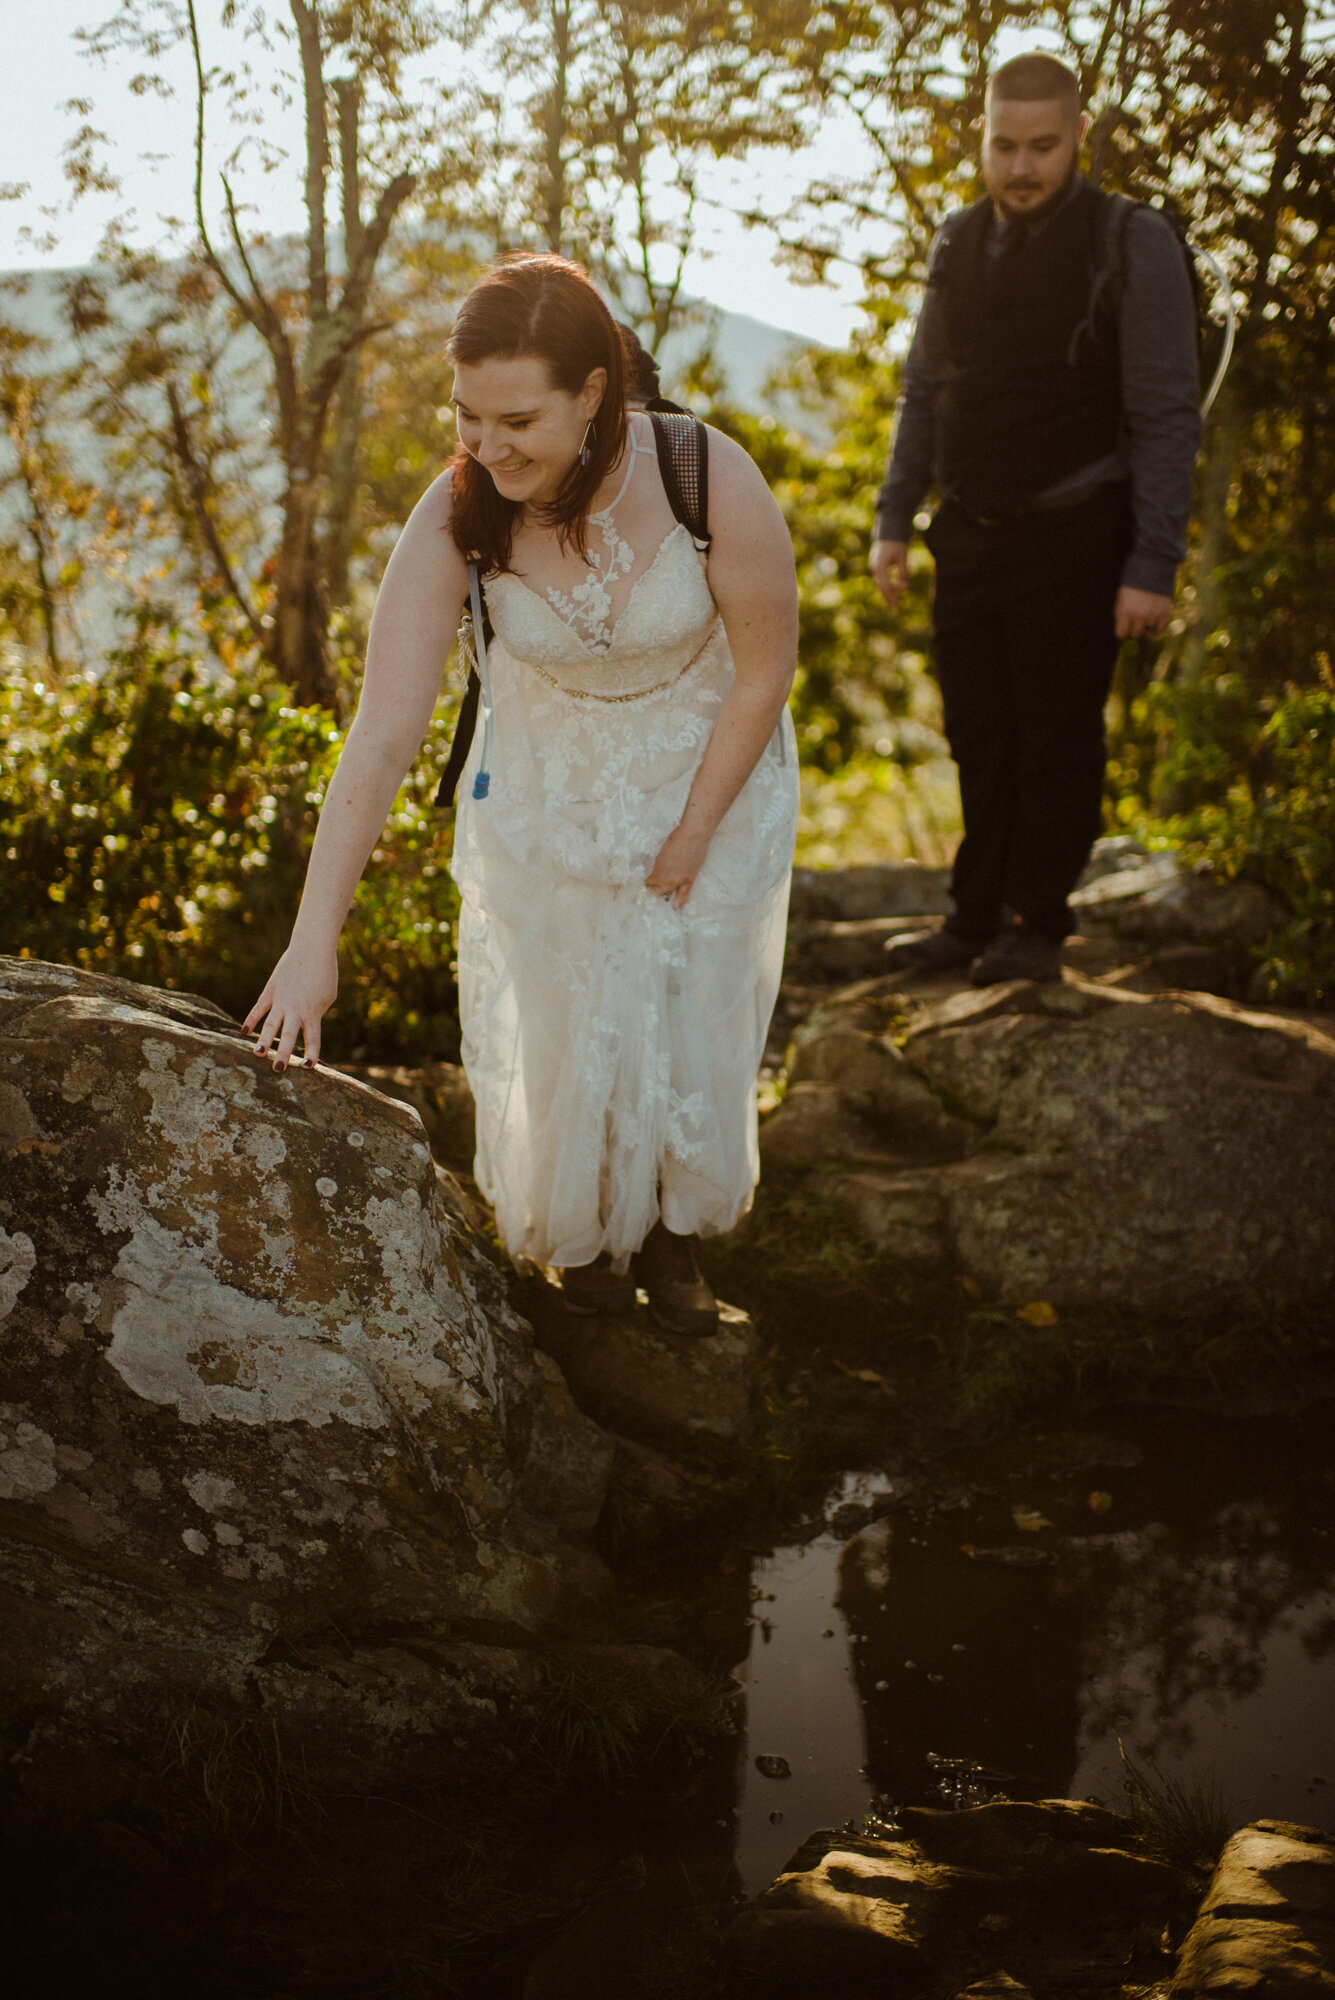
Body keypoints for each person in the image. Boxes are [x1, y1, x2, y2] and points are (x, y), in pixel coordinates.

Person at [245, 255, 799, 1336]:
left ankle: (675, 1239)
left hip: (708, 764)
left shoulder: (703, 472)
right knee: (567, 1011)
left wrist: (692, 831)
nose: (487, 446)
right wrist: (316, 939)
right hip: (548, 784)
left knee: (686, 1002)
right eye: (466, 416)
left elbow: (767, 666)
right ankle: (587, 1247)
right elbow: (384, 734)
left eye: (517, 419)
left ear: (593, 392)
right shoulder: (459, 511)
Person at [871, 50, 1201, 985]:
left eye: (1043, 147)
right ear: (981, 135)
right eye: (1003, 146)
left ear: (1079, 138)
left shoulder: (1127, 239)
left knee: (1056, 735)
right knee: (977, 733)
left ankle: (1035, 924)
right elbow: (924, 387)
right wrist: (893, 518)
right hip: (967, 531)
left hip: (1077, 528)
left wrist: (1153, 561)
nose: (1020, 167)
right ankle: (971, 919)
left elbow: (1167, 409)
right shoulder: (957, 240)